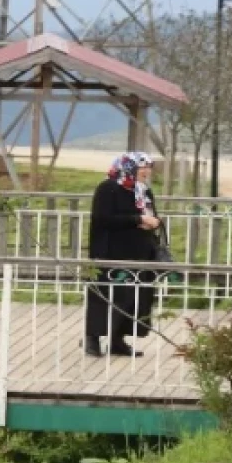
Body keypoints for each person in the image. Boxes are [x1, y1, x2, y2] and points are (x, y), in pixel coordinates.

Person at [85, 151, 161, 358]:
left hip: (139, 253)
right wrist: (137, 220)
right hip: (111, 252)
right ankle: (93, 337)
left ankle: (118, 339)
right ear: (128, 168)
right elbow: (103, 218)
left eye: (148, 168)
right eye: (142, 168)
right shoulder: (108, 188)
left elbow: (150, 215)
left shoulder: (143, 191)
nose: (146, 172)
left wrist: (153, 222)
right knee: (106, 295)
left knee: (132, 298)